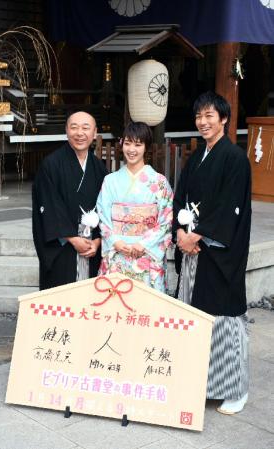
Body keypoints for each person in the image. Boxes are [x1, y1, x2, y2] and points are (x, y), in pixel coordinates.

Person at [172, 91, 251, 414]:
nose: (203, 122)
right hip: (194, 251)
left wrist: (198, 236)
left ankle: (235, 389)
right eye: (198, 117)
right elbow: (181, 196)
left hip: (218, 254)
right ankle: (201, 384)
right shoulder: (198, 157)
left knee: (225, 321)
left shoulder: (234, 158)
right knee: (195, 318)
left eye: (209, 116)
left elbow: (229, 207)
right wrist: (180, 231)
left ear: (224, 119)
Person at [32, 111, 108, 290]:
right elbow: (49, 206)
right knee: (61, 298)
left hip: (92, 247)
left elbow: (107, 208)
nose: (79, 133)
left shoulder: (99, 168)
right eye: (74, 127)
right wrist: (73, 238)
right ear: (66, 131)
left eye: (85, 128)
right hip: (63, 246)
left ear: (95, 133)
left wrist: (97, 241)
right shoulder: (51, 164)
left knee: (91, 299)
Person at [96, 121, 173, 292]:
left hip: (146, 252)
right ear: (122, 143)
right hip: (117, 251)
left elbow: (166, 219)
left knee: (146, 305)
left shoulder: (159, 182)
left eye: (138, 144)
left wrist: (144, 244)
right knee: (116, 301)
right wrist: (115, 241)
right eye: (128, 143)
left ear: (146, 147)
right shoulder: (110, 180)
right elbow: (102, 214)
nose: (132, 149)